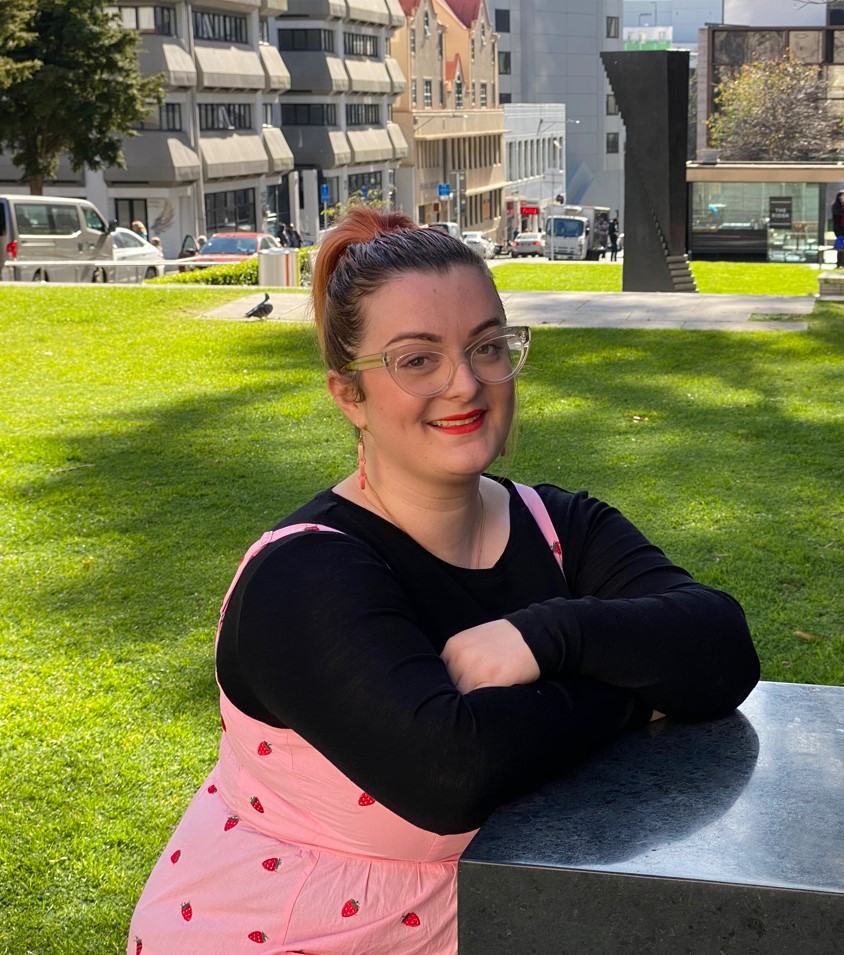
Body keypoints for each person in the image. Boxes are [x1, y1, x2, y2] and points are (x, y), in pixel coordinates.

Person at [128, 207, 760, 954]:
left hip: (488, 923)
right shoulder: (303, 573)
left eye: (487, 346)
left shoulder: (562, 526)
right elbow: (450, 769)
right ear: (347, 394)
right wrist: (632, 691)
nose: (466, 384)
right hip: (291, 932)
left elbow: (720, 649)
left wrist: (545, 634)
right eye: (416, 359)